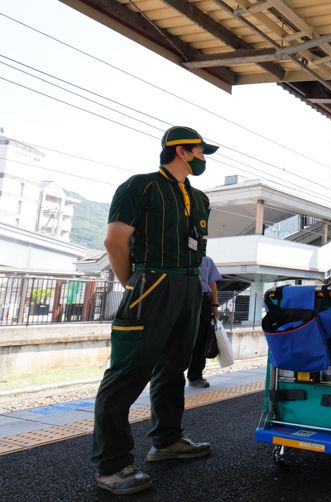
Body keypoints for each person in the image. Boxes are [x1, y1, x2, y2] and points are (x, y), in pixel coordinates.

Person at [92, 126, 216, 495]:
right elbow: (115, 240)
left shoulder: (201, 199)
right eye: (200, 151)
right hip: (153, 282)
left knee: (172, 366)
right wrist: (134, 282)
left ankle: (167, 441)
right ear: (181, 151)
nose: (203, 157)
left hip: (188, 283)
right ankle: (112, 465)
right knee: (128, 372)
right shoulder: (140, 186)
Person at [186, 255, 222, 388]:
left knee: (201, 339)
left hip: (204, 300)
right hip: (182, 298)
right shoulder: (178, 256)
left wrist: (215, 304)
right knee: (178, 338)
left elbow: (212, 282)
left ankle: (195, 376)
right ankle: (170, 377)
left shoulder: (207, 260)